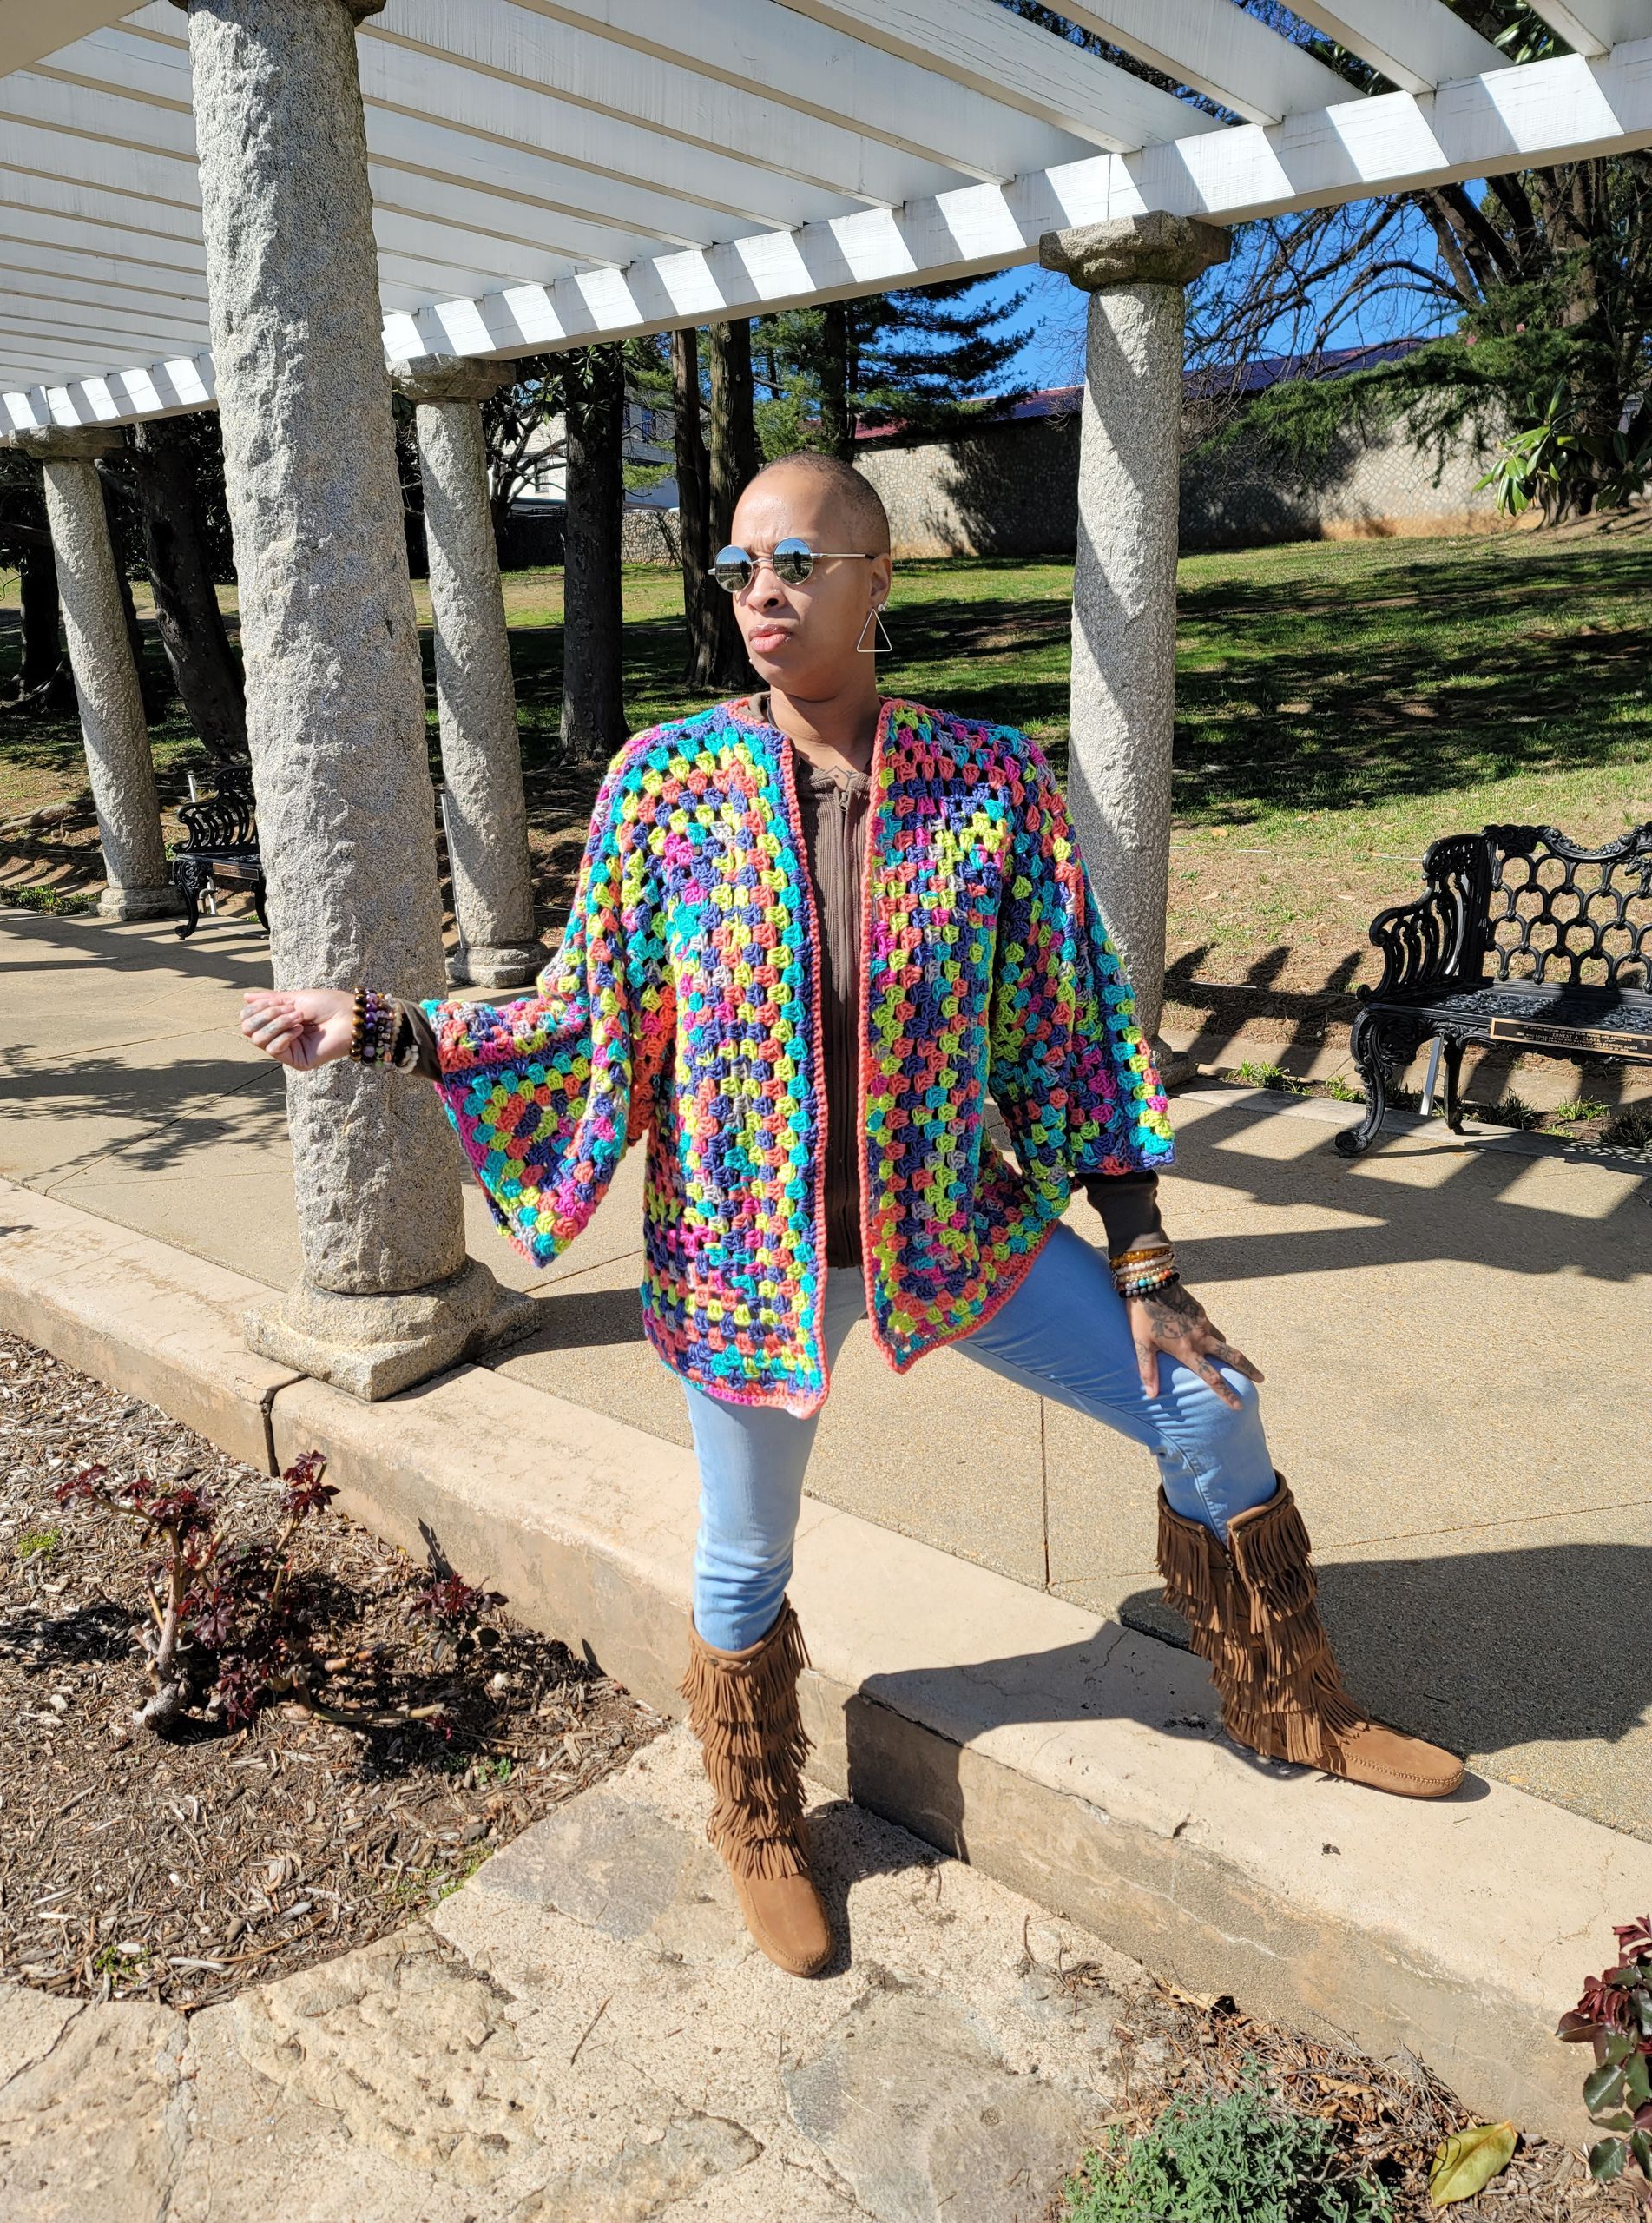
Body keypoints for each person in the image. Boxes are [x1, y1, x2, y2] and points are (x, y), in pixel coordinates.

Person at [240, 452, 1463, 1980]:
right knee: (745, 1558)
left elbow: (1070, 1032)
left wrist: (1144, 1253)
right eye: (743, 570)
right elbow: (579, 1022)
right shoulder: (663, 784)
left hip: (959, 1229)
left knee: (1209, 1404)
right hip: (749, 1262)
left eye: (799, 563)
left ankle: (1298, 1703)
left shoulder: (989, 781)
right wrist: (380, 1026)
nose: (764, 595)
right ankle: (758, 1811)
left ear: (879, 582)